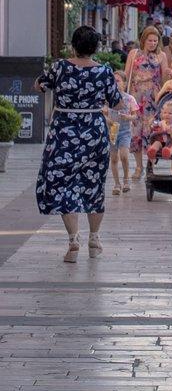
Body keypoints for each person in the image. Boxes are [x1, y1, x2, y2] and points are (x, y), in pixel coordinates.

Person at [36, 25, 122, 262]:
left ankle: (74, 240)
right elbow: (117, 103)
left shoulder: (60, 67)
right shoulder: (104, 71)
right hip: (94, 131)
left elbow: (40, 86)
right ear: (96, 48)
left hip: (64, 132)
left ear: (73, 45)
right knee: (93, 185)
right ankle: (94, 238)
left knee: (64, 185)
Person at [122, 24, 167, 182]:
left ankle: (150, 165)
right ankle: (139, 166)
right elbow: (126, 75)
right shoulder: (134, 53)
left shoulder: (161, 56)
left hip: (153, 98)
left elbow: (165, 78)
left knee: (151, 132)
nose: (153, 43)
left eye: (155, 41)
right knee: (135, 133)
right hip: (135, 97)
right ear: (144, 40)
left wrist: (163, 95)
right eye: (150, 40)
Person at [108, 72, 136, 196]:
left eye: (118, 81)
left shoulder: (129, 98)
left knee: (124, 156)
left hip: (125, 131)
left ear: (124, 83)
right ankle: (117, 184)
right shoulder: (106, 98)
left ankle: (126, 180)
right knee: (114, 158)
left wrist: (128, 117)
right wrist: (107, 119)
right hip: (112, 131)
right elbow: (102, 112)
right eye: (113, 81)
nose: (115, 83)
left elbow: (135, 116)